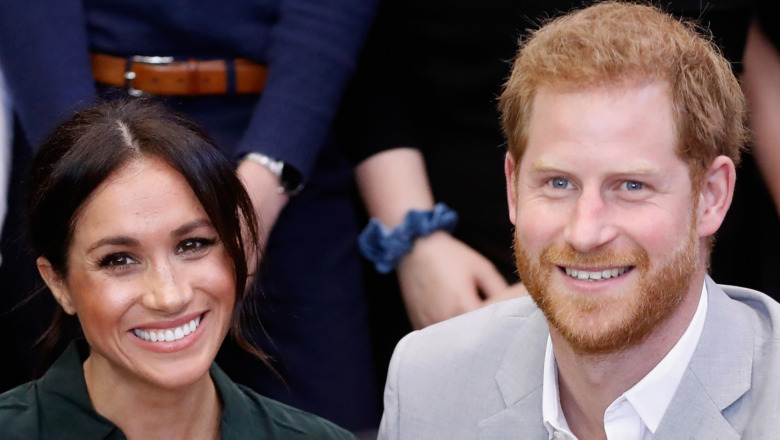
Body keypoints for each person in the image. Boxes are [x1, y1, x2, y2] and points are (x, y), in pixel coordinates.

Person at [378, 2, 780, 439]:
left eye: (630, 186)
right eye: (558, 183)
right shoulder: (426, 382)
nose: (585, 232)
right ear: (513, 188)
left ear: (712, 196)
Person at [0, 1, 380, 430]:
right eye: (119, 258)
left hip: (288, 140)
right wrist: (85, 163)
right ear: (56, 281)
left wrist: (267, 179)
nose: (170, 296)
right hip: (80, 116)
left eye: (194, 244)